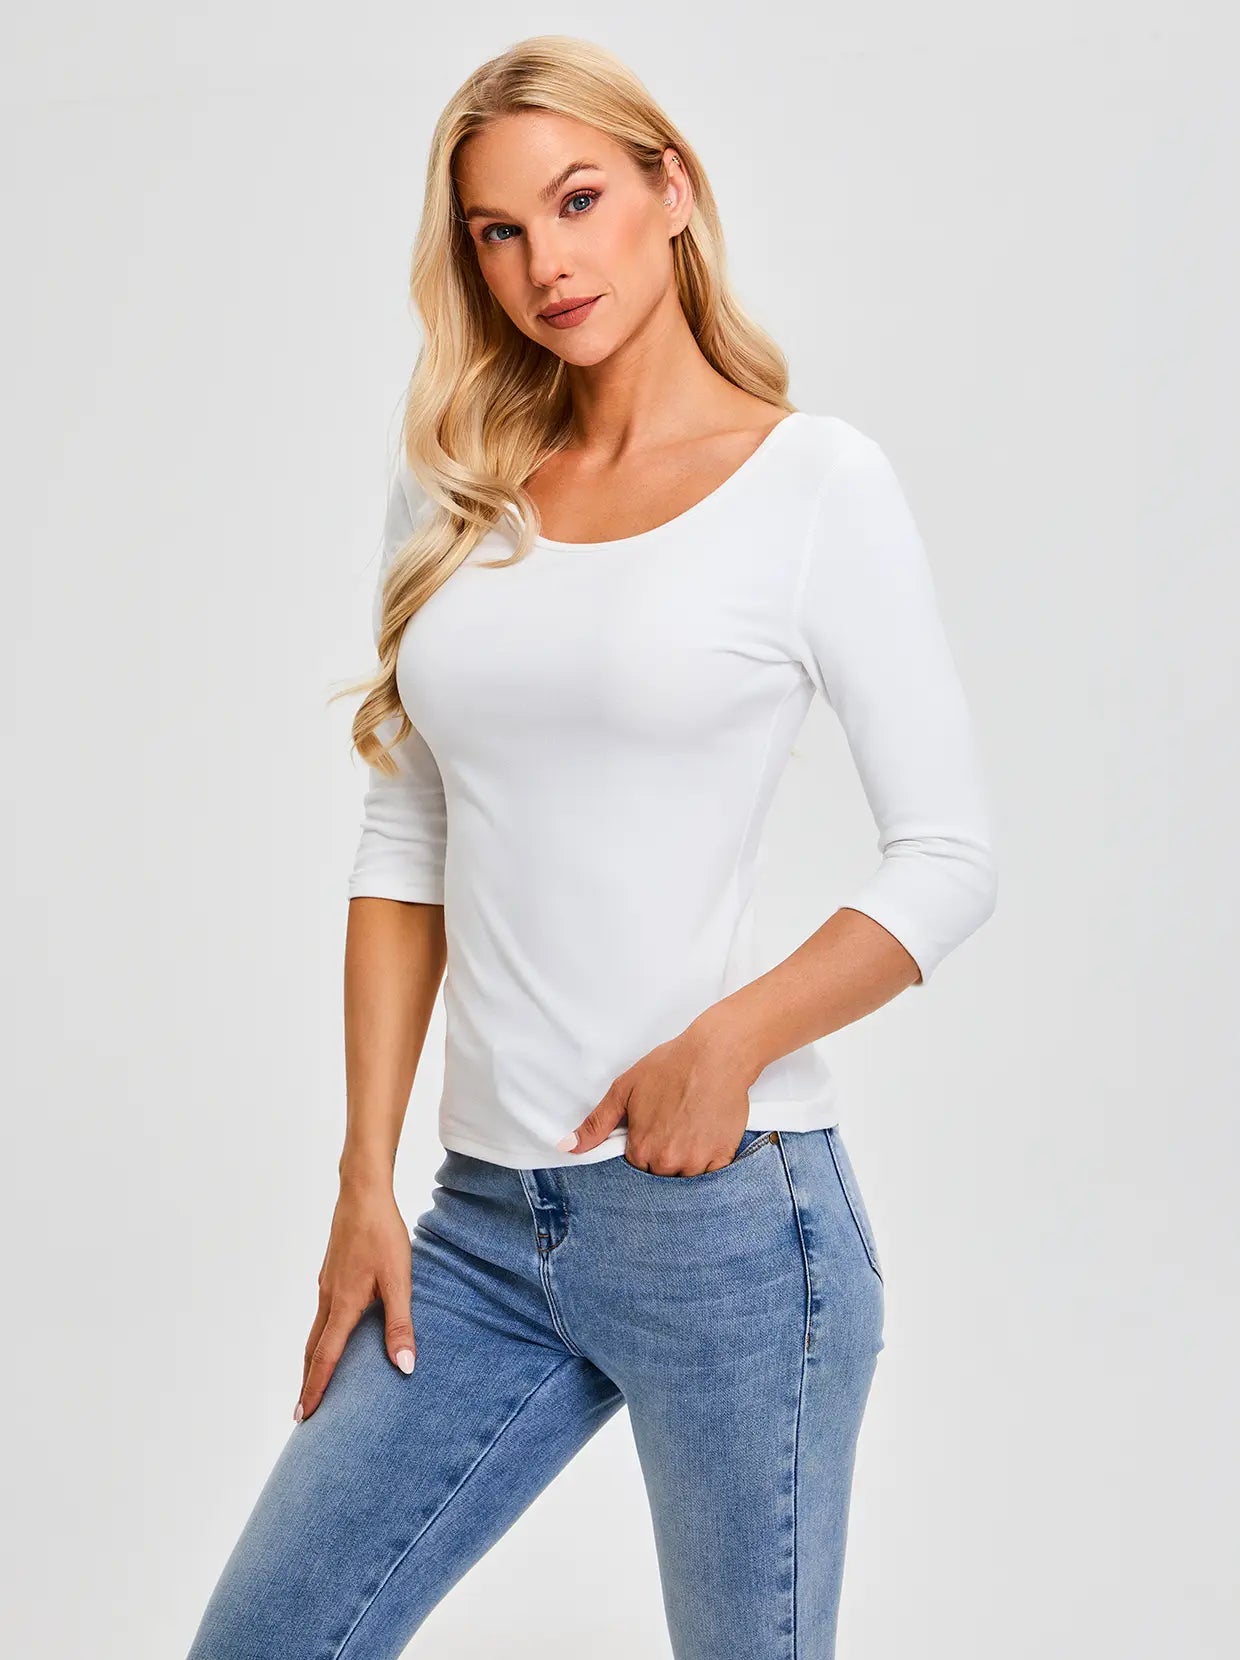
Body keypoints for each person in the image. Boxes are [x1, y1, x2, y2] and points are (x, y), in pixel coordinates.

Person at [185, 34, 997, 1660]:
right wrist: (363, 1177)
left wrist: (728, 1043)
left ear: (670, 190)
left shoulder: (813, 484)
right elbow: (406, 830)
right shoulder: (457, 490)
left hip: (729, 1227)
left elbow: (950, 856)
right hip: (481, 1229)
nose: (546, 262)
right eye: (499, 230)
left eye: (578, 201)